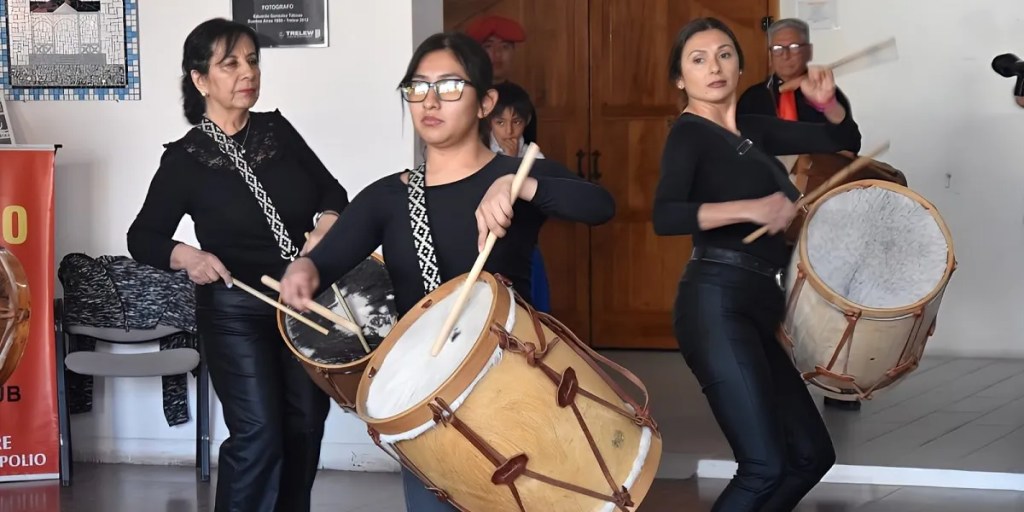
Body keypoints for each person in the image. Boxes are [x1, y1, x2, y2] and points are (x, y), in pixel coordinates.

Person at [276, 31, 615, 511]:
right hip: (430, 402)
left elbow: (601, 206)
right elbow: (324, 262)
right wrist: (305, 269)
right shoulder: (390, 197)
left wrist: (518, 186)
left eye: (450, 86)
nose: (430, 101)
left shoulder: (517, 174)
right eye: (417, 88)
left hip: (518, 386)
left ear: (485, 103)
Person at [126, 18, 347, 512]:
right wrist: (188, 256)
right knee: (259, 431)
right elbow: (142, 236)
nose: (248, 72)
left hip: (300, 302)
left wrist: (326, 223)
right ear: (200, 79)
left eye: (252, 60)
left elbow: (334, 193)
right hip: (234, 310)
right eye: (231, 63)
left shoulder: (277, 131)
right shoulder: (184, 160)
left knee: (306, 423)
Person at [653, 17, 861, 510]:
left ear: (741, 65)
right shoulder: (688, 135)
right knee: (764, 466)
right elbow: (665, 215)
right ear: (681, 79)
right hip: (715, 300)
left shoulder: (753, 129)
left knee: (811, 456)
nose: (714, 67)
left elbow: (843, 136)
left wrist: (827, 102)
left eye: (725, 54)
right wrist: (751, 209)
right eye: (698, 59)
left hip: (757, 305)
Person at [737, 18, 862, 153]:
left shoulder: (825, 92)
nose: (785, 55)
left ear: (809, 51)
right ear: (770, 55)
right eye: (778, 49)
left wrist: (829, 104)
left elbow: (851, 144)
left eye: (794, 47)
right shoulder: (752, 98)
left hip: (817, 172)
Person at [465, 14, 537, 144]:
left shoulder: (519, 98)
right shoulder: (464, 95)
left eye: (505, 47)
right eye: (488, 46)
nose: (497, 54)